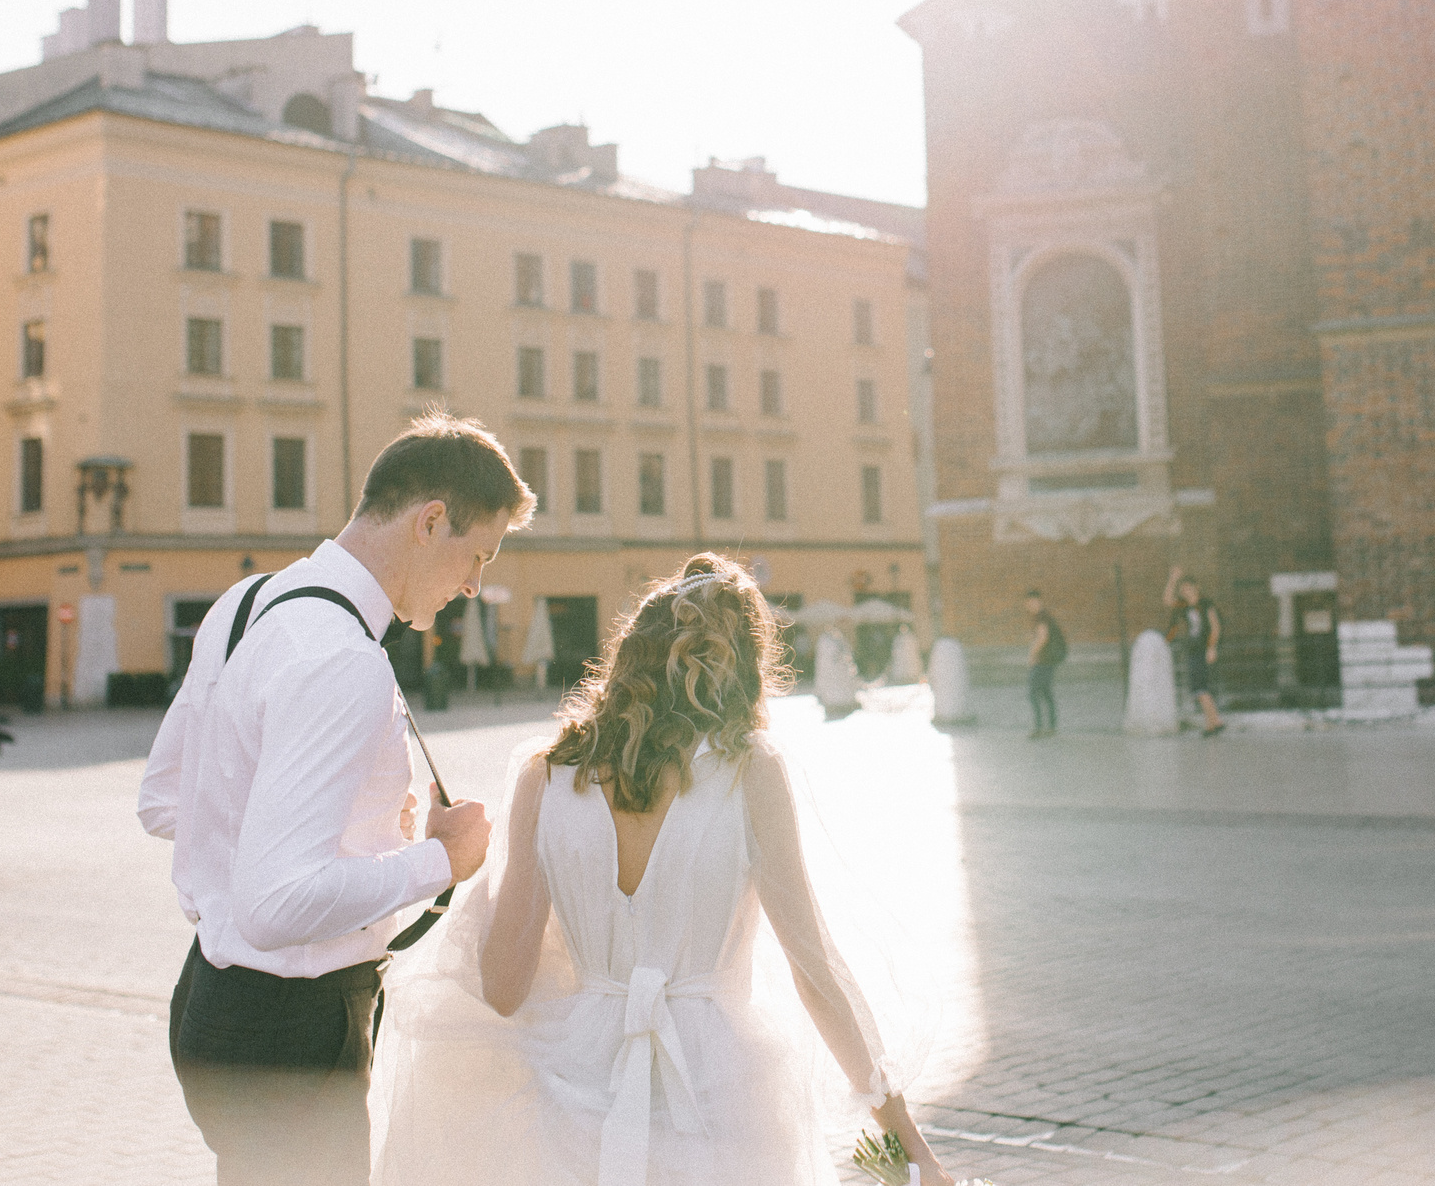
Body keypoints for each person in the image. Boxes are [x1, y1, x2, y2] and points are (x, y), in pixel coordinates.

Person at [376, 554, 958, 1186]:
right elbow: (813, 969)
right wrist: (907, 1142)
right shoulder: (750, 770)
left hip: (571, 1089)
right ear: (740, 670)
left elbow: (504, 988)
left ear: (629, 657)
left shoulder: (545, 774)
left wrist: (460, 858)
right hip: (720, 1096)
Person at [138, 412, 532, 1186]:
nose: (474, 584)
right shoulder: (342, 659)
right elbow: (277, 903)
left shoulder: (246, 602)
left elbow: (161, 799)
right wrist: (439, 859)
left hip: (210, 1003)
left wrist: (330, 829)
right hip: (294, 1029)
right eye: (477, 554)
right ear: (430, 521)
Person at [1165, 567, 1224, 737]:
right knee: (1199, 688)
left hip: (1204, 650)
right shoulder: (1183, 606)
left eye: (1188, 588)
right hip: (1193, 650)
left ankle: (1214, 723)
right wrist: (1173, 579)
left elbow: (1215, 627)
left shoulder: (1206, 604)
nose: (1185, 592)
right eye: (1183, 590)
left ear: (1196, 587)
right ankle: (1214, 722)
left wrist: (1212, 648)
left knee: (1200, 687)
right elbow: (1167, 600)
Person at [1025, 591, 1065, 739]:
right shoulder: (1043, 616)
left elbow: (1042, 637)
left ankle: (1038, 728)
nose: (1030, 606)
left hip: (1043, 661)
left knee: (1033, 692)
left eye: (1032, 602)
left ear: (1039, 602)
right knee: (1046, 692)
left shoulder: (1041, 617)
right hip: (1049, 660)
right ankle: (1051, 727)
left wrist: (1032, 655)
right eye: (1029, 603)